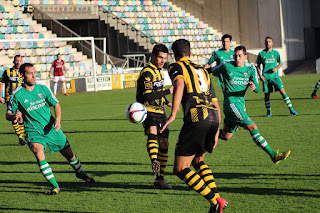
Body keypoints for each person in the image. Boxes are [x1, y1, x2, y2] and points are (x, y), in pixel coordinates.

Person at [160, 39, 227, 213]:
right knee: (198, 160)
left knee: (180, 168)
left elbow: (179, 84)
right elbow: (215, 101)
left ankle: (215, 201)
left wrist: (173, 114)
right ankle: (216, 202)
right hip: (212, 117)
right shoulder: (203, 70)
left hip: (197, 118)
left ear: (175, 56)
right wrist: (217, 128)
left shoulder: (176, 67)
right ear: (190, 53)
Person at [6, 63, 95, 195]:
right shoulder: (17, 94)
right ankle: (55, 186)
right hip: (33, 131)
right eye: (30, 73)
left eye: (35, 73)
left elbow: (56, 105)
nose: (34, 76)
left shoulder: (43, 89)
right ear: (22, 75)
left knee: (69, 154)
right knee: (38, 152)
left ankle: (80, 174)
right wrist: (14, 116)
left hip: (52, 128)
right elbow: (8, 115)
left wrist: (58, 121)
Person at [209, 45, 291, 164]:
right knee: (253, 127)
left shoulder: (250, 69)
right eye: (235, 55)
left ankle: (207, 131)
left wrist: (253, 86)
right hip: (231, 104)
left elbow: (258, 89)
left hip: (240, 105)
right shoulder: (226, 66)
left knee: (226, 136)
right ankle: (273, 155)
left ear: (245, 56)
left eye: (240, 56)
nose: (237, 58)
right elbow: (211, 71)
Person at [136, 44, 173, 189]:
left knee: (164, 143)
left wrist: (167, 102)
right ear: (153, 56)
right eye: (160, 57)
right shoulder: (148, 72)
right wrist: (168, 92)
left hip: (161, 111)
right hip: (148, 109)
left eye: (164, 58)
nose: (162, 60)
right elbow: (149, 95)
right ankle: (154, 161)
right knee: (152, 132)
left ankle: (159, 178)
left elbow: (158, 91)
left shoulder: (159, 71)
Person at [255, 37, 297, 117]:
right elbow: (257, 65)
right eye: (266, 42)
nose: (268, 43)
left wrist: (277, 68)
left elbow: (281, 63)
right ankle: (268, 112)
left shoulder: (276, 53)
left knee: (282, 91)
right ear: (265, 43)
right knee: (267, 95)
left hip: (275, 77)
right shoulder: (261, 54)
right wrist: (260, 75)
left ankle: (291, 109)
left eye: (269, 41)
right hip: (266, 78)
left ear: (272, 43)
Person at [0, 55, 26, 145]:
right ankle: (21, 137)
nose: (18, 62)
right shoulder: (7, 72)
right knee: (15, 117)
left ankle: (21, 137)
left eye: (20, 61)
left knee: (20, 117)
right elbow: (1, 83)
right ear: (14, 62)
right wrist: (0, 96)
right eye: (17, 61)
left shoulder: (23, 73)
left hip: (22, 99)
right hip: (10, 98)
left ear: (22, 62)